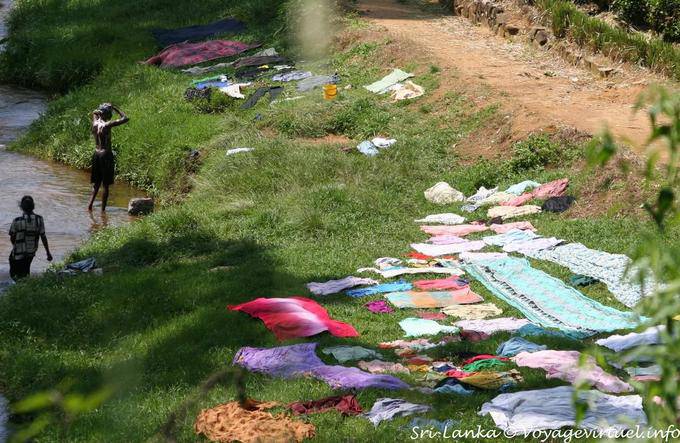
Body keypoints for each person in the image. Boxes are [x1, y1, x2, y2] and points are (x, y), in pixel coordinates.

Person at [88, 103, 129, 211]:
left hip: (96, 154)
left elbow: (94, 113)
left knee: (96, 183)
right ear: (107, 114)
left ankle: (90, 205)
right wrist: (116, 108)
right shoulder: (107, 125)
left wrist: (98, 112)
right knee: (105, 185)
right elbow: (125, 118)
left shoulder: (95, 123)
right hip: (105, 155)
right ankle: (103, 211)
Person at [8, 196, 52, 280]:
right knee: (26, 269)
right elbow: (43, 237)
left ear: (21, 207)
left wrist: (15, 246)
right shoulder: (39, 219)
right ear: (33, 206)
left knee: (14, 272)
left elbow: (12, 237)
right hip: (31, 252)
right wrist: (48, 253)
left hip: (18, 252)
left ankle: (20, 286)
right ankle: (24, 284)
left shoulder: (17, 221)